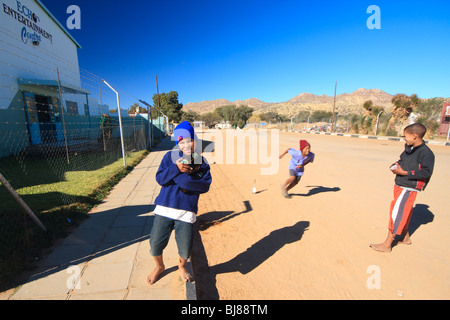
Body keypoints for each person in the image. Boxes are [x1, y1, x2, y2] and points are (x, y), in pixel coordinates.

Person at [147, 121, 212, 284]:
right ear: (177, 144)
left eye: (189, 140)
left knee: (185, 248)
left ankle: (182, 267)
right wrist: (176, 169)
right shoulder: (169, 157)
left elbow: (205, 186)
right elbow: (160, 179)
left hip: (186, 212)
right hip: (164, 209)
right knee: (155, 244)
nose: (186, 145)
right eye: (181, 142)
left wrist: (182, 180)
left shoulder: (201, 162)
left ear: (195, 140)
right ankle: (159, 266)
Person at [370, 123, 435, 253]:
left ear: (415, 136)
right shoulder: (409, 148)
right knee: (404, 211)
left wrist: (404, 173)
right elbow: (402, 160)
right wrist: (395, 165)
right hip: (400, 183)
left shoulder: (426, 153)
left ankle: (388, 244)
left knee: (397, 213)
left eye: (406, 136)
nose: (404, 139)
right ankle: (405, 237)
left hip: (409, 187)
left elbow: (426, 172)